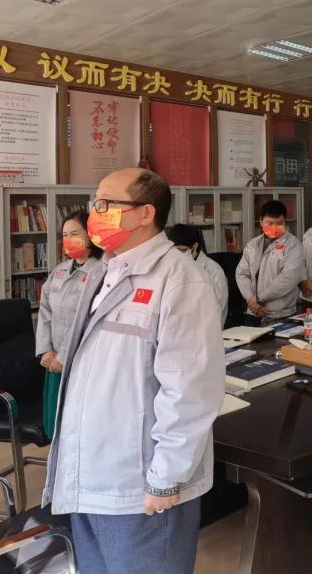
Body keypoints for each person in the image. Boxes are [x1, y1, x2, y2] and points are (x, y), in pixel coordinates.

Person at [42, 168, 225, 574]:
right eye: (94, 203)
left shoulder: (180, 280)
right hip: (90, 473)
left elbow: (191, 390)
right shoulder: (104, 270)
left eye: (105, 203)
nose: (94, 212)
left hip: (141, 487)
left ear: (145, 213)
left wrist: (165, 477)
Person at [36, 209, 102, 439]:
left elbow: (89, 320)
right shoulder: (60, 271)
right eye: (64, 235)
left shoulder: (101, 272)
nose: (68, 240)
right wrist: (46, 350)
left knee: (78, 426)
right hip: (53, 361)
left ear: (91, 235)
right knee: (55, 422)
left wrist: (64, 356)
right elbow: (45, 310)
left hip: (80, 362)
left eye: (75, 234)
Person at [236, 199, 305, 322]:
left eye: (279, 223)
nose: (274, 227)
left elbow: (288, 279)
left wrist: (259, 299)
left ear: (285, 222)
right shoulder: (253, 244)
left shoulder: (293, 245)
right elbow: (242, 273)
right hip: (253, 311)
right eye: (270, 223)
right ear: (261, 221)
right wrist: (250, 299)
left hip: (280, 314)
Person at [166, 223, 229, 330]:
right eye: (174, 251)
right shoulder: (172, 268)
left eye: (182, 250)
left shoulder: (213, 271)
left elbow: (217, 310)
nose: (177, 255)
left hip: (205, 331)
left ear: (194, 246)